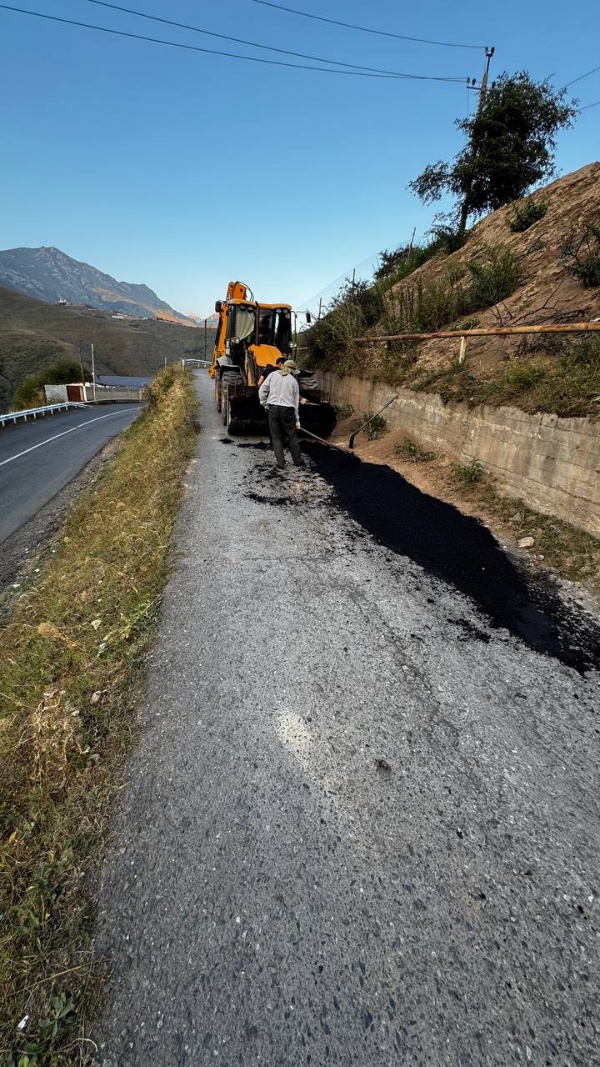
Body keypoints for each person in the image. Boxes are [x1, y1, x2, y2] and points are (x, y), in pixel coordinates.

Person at [258, 359, 304, 469]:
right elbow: (295, 402)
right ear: (291, 370)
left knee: (276, 437)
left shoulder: (272, 375)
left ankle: (280, 462)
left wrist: (264, 404)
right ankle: (297, 461)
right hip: (287, 410)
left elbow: (262, 390)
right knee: (292, 436)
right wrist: (297, 419)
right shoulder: (293, 381)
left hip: (273, 409)